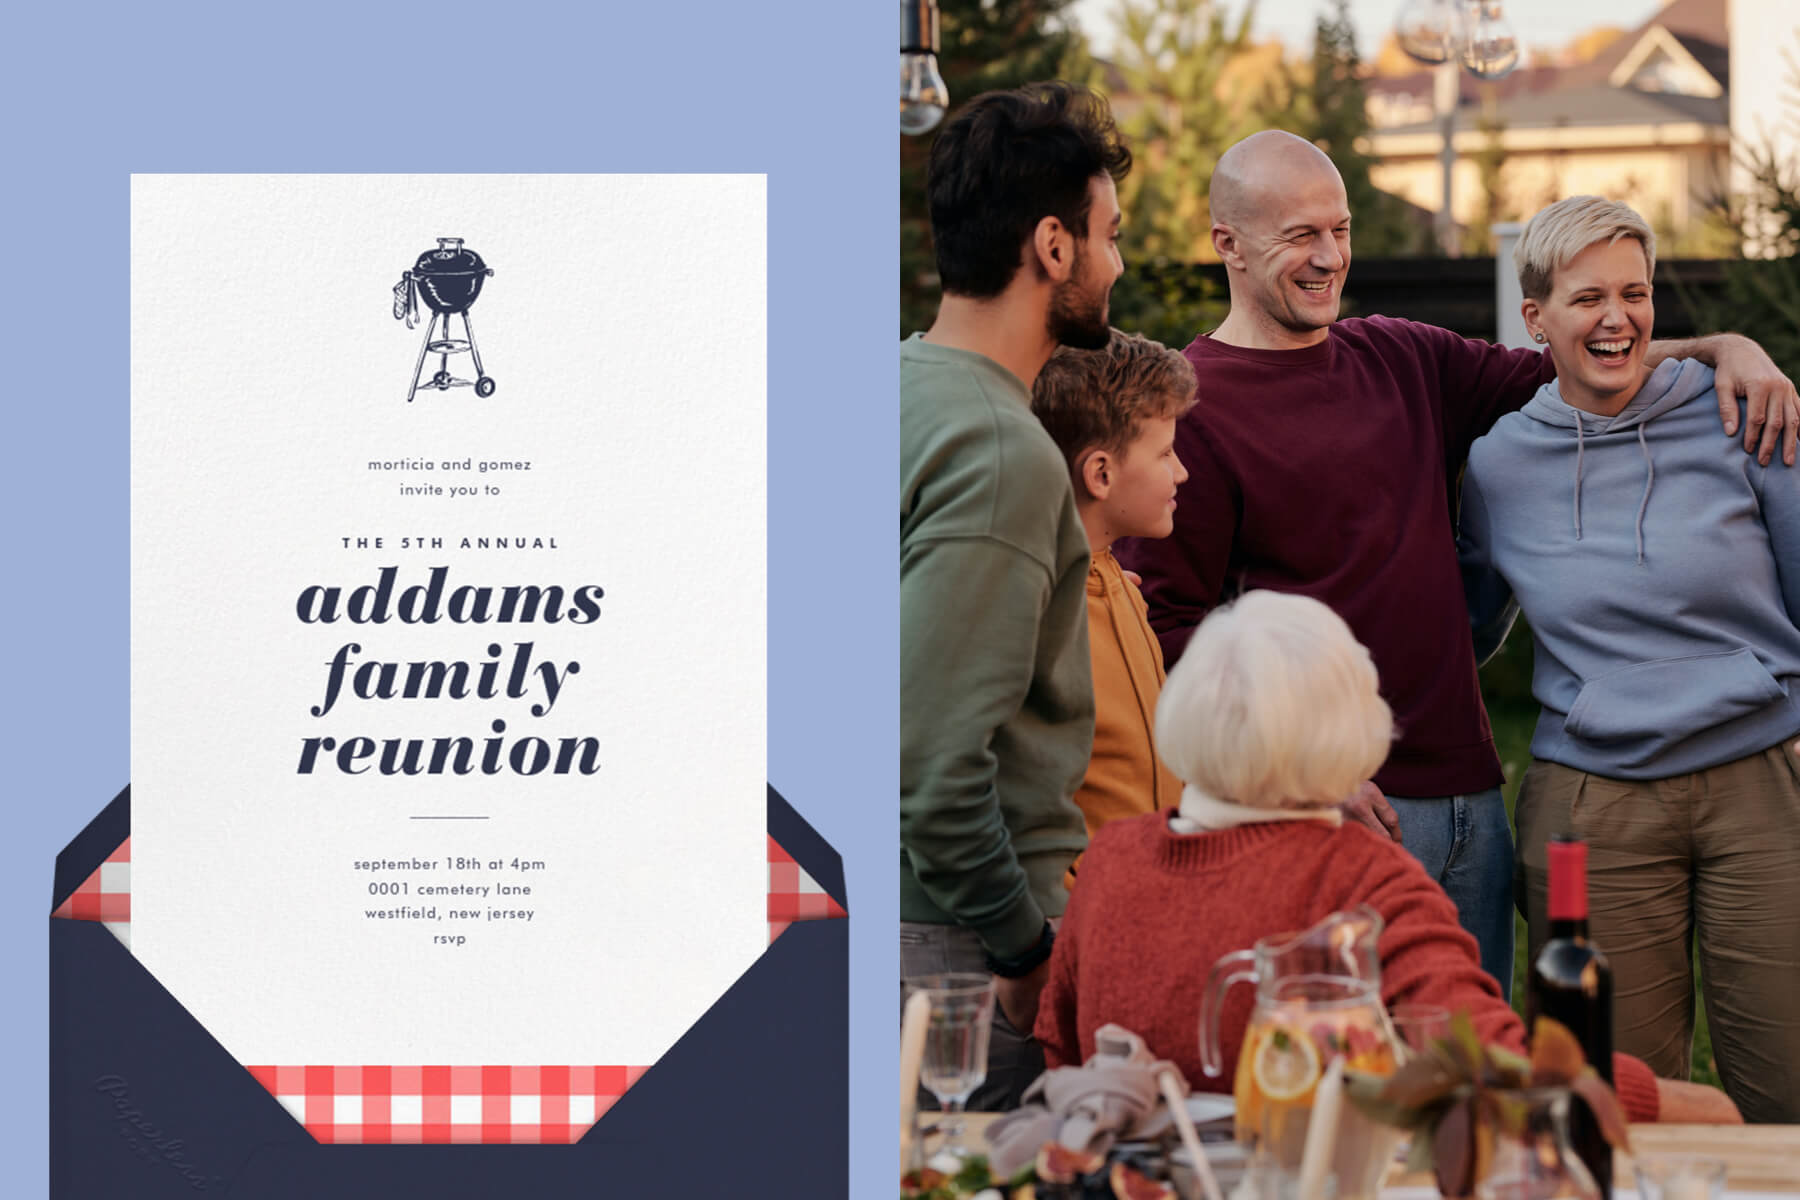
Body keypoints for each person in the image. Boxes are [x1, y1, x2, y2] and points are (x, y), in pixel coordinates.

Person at [1118, 129, 1800, 999]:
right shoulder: (1195, 408)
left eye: (1341, 228)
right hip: (1332, 808)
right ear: (1227, 243)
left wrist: (1724, 351)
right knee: (1352, 1075)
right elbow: (1162, 632)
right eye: (1300, 236)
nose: (1330, 257)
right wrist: (1297, 772)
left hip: (1472, 797)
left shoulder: (1404, 356)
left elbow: (1583, 359)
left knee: (1477, 1080)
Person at [1033, 590, 1741, 1125]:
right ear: (1353, 724)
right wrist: (1690, 1105)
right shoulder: (1359, 874)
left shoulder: (1112, 857)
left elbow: (1062, 1050)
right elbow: (1488, 1065)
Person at [1458, 195, 1800, 1124]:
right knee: (1613, 1101)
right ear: (1537, 319)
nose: (1617, 319)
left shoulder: (1741, 408)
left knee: (1788, 1086)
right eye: (1587, 299)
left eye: (1636, 294)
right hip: (1594, 805)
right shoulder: (1498, 463)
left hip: (1763, 782)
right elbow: (1474, 623)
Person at [901, 81, 1131, 1110]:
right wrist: (1026, 949)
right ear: (1051, 247)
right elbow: (934, 762)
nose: (1118, 265)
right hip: (956, 952)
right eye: (1110, 236)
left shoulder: (892, 386)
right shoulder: (1002, 452)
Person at [1030, 328, 1196, 864]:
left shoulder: (1123, 590)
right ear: (1101, 473)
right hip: (1076, 925)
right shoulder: (1035, 610)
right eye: (1166, 453)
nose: (1182, 472)